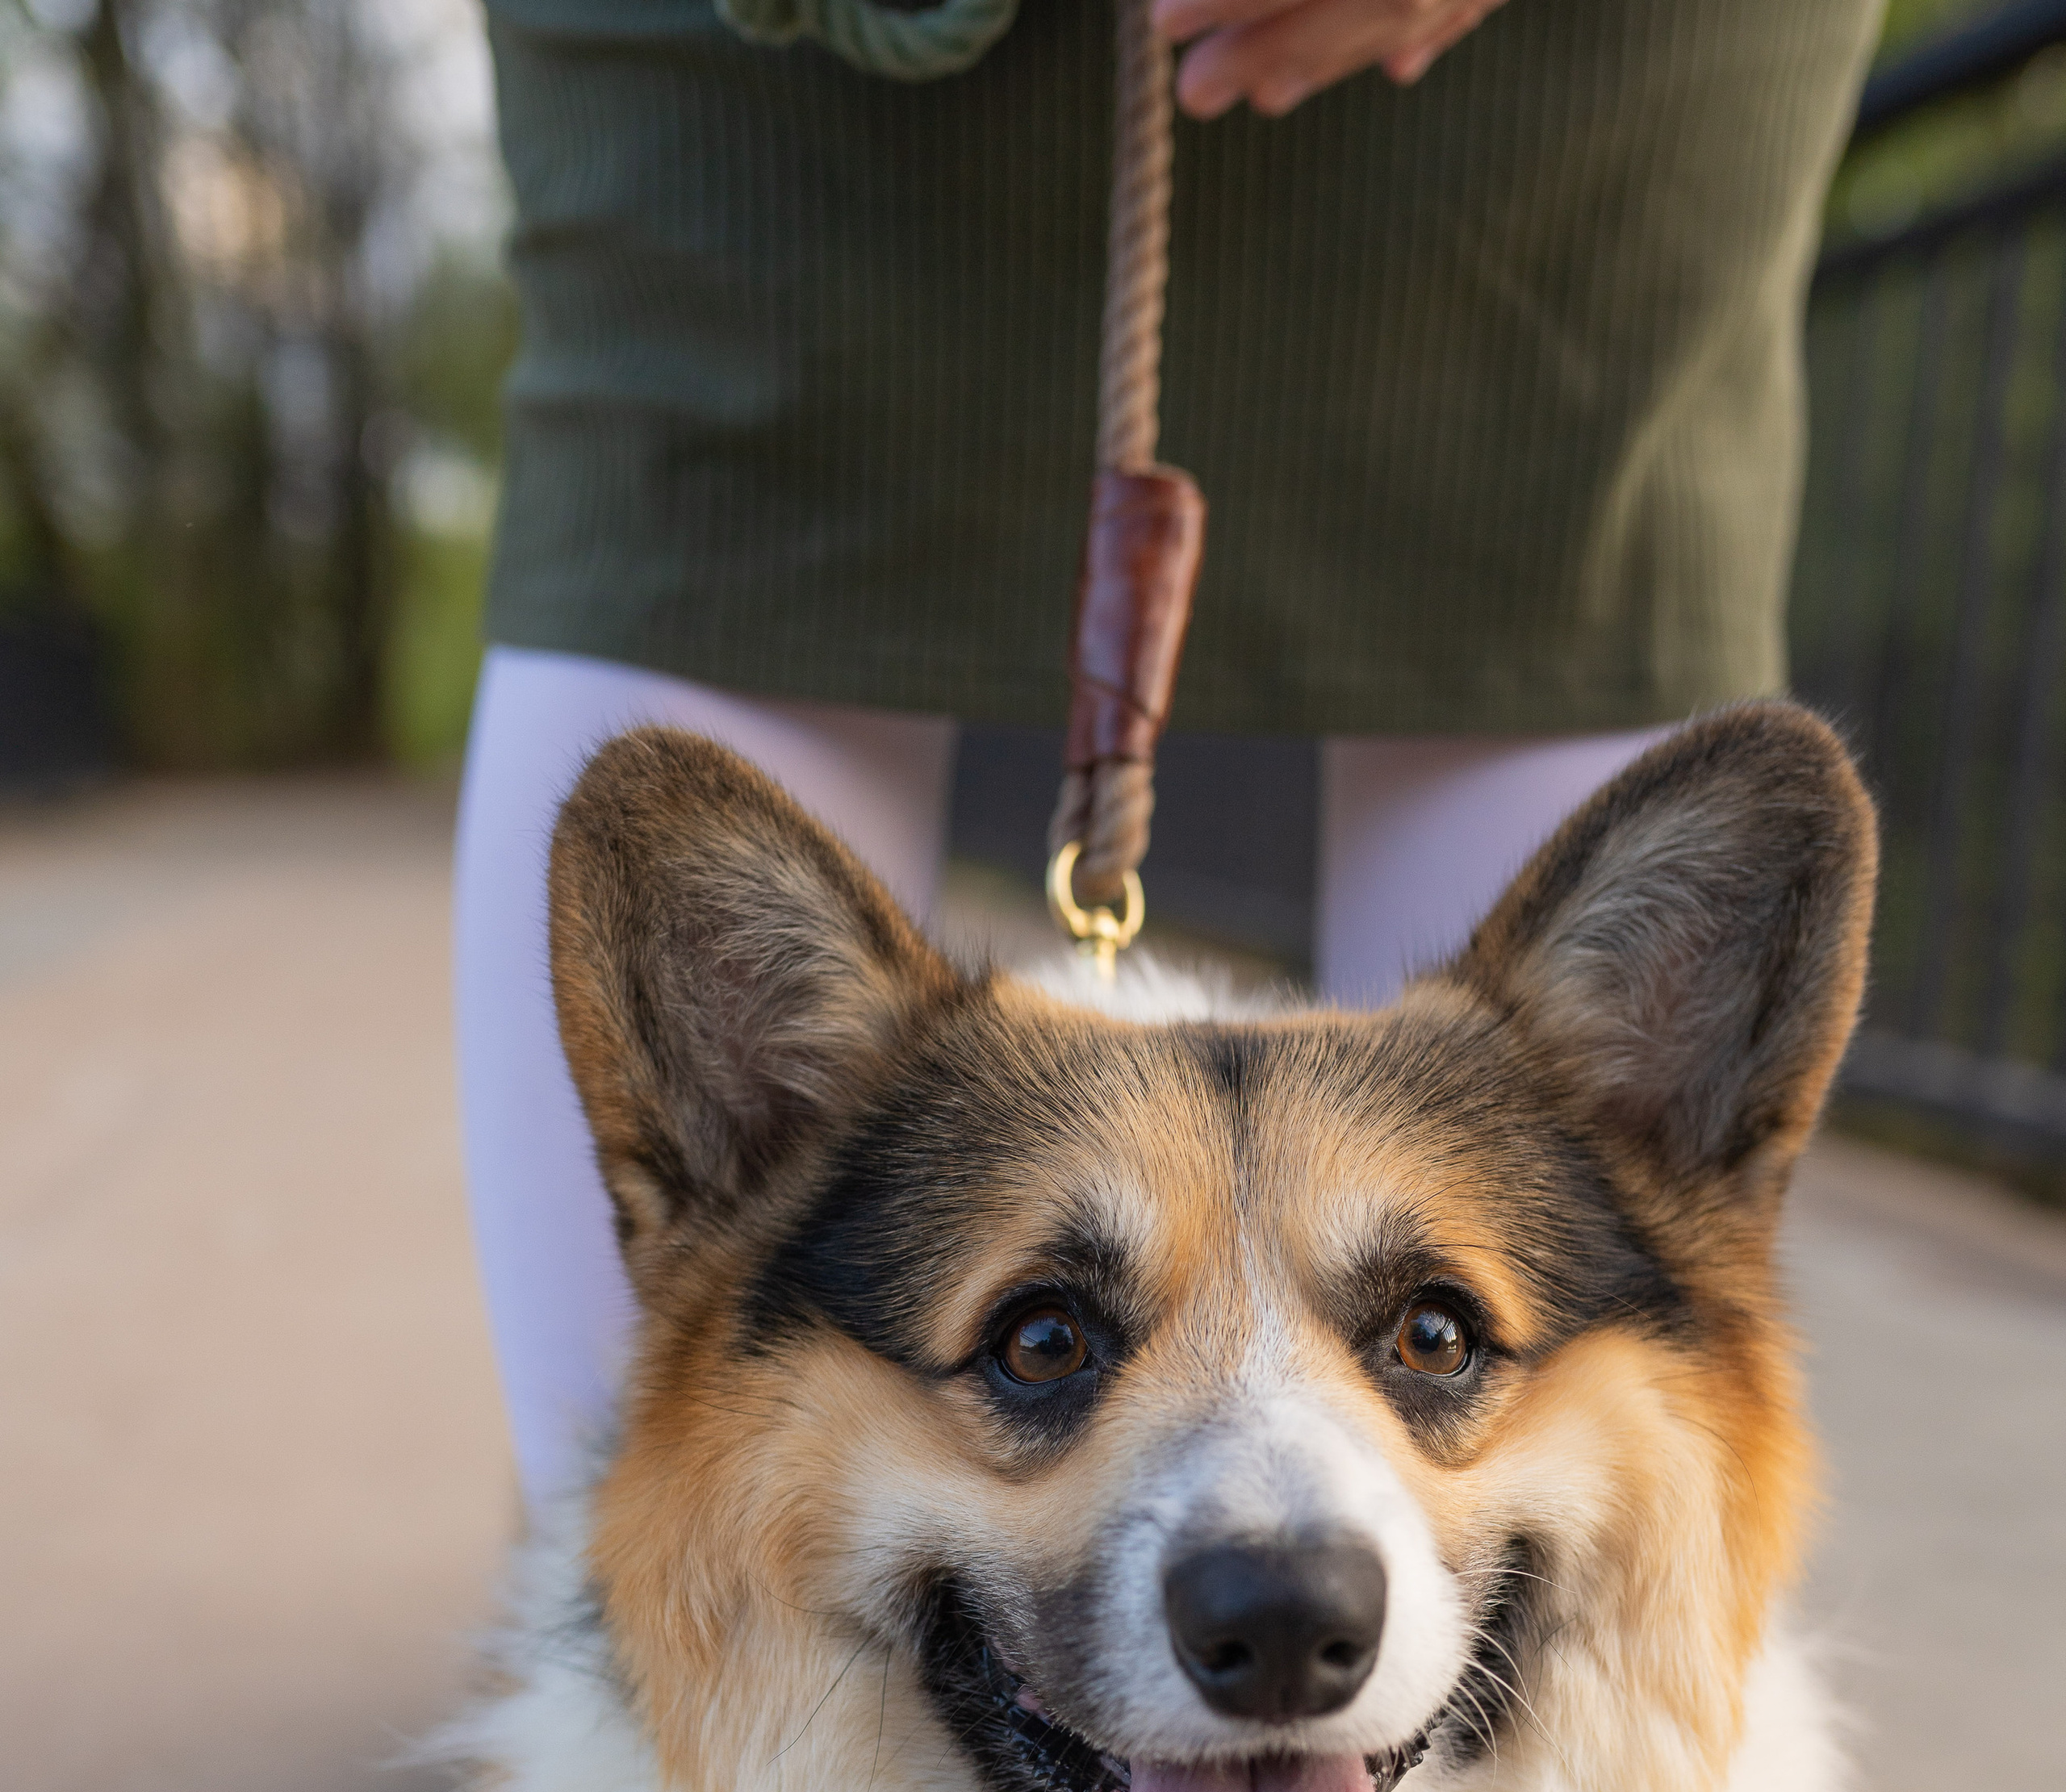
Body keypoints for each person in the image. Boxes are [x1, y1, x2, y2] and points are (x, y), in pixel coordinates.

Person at [454, 0, 1881, 1510]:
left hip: (1553, 90)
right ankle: (649, 1656)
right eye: (1048, 1340)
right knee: (728, 482)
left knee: (1553, 547)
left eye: (1433, 1333)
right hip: (775, 109)